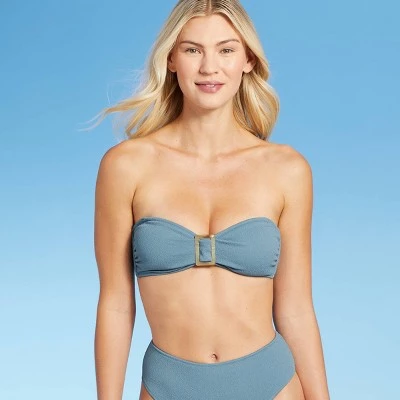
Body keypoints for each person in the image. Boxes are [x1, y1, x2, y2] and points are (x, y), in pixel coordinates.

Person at [93, 1, 330, 399]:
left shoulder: (287, 170)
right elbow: (115, 305)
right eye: (192, 50)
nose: (209, 68)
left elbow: (296, 309)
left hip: (272, 384)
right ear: (171, 59)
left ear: (248, 60)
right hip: (169, 385)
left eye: (226, 50)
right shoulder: (125, 166)